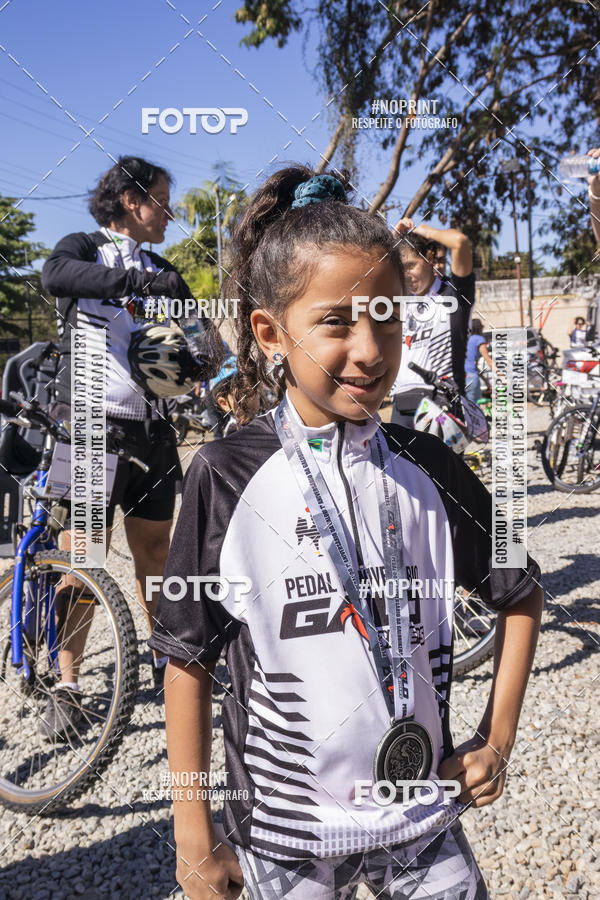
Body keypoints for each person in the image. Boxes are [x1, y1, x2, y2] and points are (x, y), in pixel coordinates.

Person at [149, 166, 543, 900]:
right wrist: (193, 833)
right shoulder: (226, 475)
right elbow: (185, 659)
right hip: (285, 833)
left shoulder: (431, 466)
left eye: (387, 317)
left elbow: (520, 590)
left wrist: (497, 739)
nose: (370, 349)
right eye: (336, 322)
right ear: (270, 333)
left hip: (421, 816)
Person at [40, 156, 222, 736]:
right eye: (161, 201)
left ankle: (166, 660)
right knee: (84, 559)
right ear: (130, 200)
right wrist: (138, 284)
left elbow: (201, 338)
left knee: (157, 552)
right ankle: (67, 684)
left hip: (154, 430)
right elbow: (55, 277)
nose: (170, 213)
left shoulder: (165, 269)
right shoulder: (85, 248)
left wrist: (202, 360)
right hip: (92, 425)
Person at [389, 219, 474, 427]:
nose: (407, 275)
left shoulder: (453, 295)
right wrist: (392, 240)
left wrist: (421, 230)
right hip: (401, 403)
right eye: (402, 269)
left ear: (428, 258)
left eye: (411, 266)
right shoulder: (400, 300)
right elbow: (367, 271)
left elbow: (459, 242)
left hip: (442, 401)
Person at [464, 318, 500, 404]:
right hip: (472, 378)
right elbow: (488, 360)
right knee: (475, 406)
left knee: (467, 406)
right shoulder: (479, 339)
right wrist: (502, 377)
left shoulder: (467, 340)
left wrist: (486, 381)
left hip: (463, 377)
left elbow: (473, 367)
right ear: (480, 328)